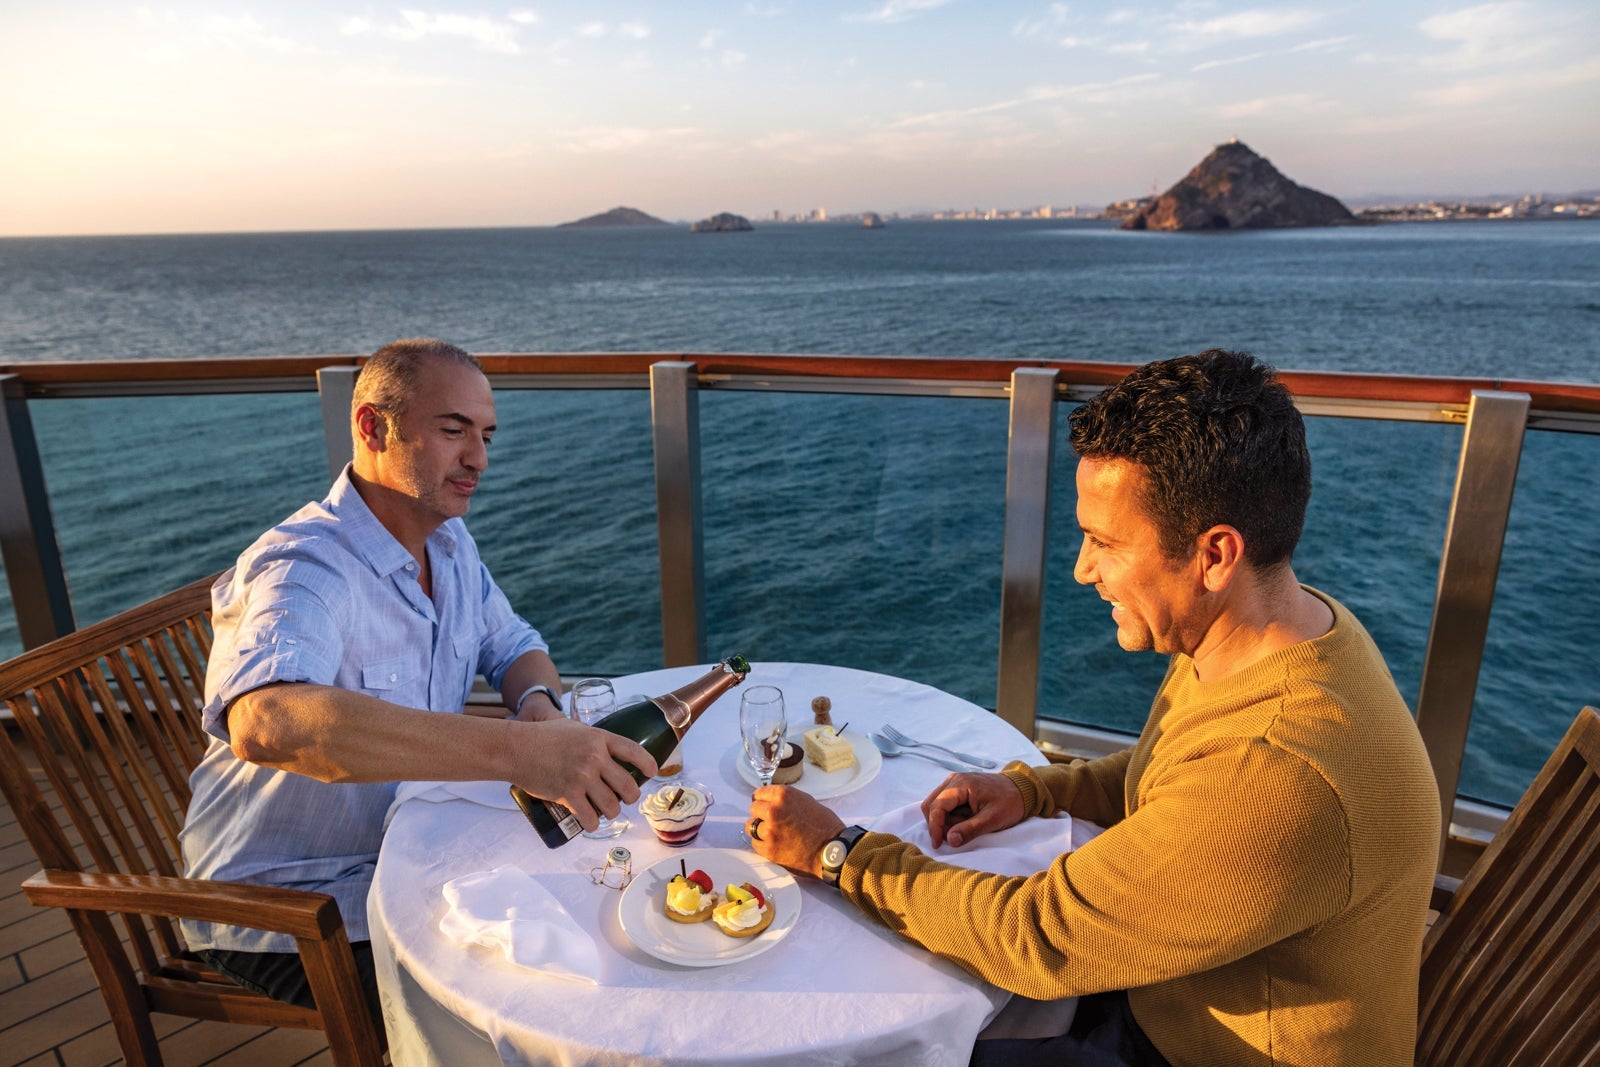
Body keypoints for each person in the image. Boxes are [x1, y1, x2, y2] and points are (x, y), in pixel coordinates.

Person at [747, 349, 1441, 1067]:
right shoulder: (1286, 631)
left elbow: (1039, 936)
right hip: (1176, 989)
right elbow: (1171, 778)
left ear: (1215, 555)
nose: (1082, 568)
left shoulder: (1279, 769)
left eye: (1104, 542)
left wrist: (841, 853)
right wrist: (1033, 788)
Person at [180, 338, 655, 1025]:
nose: (479, 460)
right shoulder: (303, 566)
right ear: (373, 427)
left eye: (486, 435)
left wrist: (543, 712)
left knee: (610, 916)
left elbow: (514, 642)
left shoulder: (448, 542)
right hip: (288, 909)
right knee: (546, 1001)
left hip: (410, 855)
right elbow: (266, 720)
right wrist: (518, 754)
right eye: (453, 430)